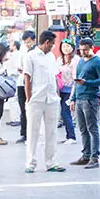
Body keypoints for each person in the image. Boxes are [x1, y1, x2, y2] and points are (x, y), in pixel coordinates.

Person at [23, 30, 65, 174]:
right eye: (52, 43)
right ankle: (30, 163)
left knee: (51, 132)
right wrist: (29, 97)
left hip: (51, 99)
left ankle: (51, 162)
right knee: (33, 131)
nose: (53, 46)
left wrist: (56, 94)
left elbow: (54, 77)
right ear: (46, 42)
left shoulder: (51, 57)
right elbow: (27, 78)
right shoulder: (31, 56)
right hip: (36, 99)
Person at [71, 38, 100, 167]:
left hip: (90, 98)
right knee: (82, 129)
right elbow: (76, 82)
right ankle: (86, 154)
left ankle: (94, 157)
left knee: (92, 128)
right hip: (80, 98)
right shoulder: (80, 61)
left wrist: (87, 83)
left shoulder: (97, 62)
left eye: (85, 50)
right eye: (81, 50)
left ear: (91, 48)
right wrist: (73, 99)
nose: (83, 52)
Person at [14, 30, 37, 143]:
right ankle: (24, 133)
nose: (27, 44)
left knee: (31, 109)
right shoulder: (23, 51)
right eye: (25, 42)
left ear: (34, 40)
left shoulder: (37, 52)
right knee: (23, 109)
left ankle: (32, 134)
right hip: (21, 82)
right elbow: (18, 64)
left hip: (32, 83)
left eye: (29, 42)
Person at [54, 34, 77, 143]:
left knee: (65, 112)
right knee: (63, 113)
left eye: (68, 46)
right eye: (63, 47)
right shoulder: (59, 60)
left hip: (70, 90)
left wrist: (73, 95)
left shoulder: (75, 60)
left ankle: (71, 136)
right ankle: (69, 135)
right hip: (60, 90)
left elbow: (76, 77)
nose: (65, 49)